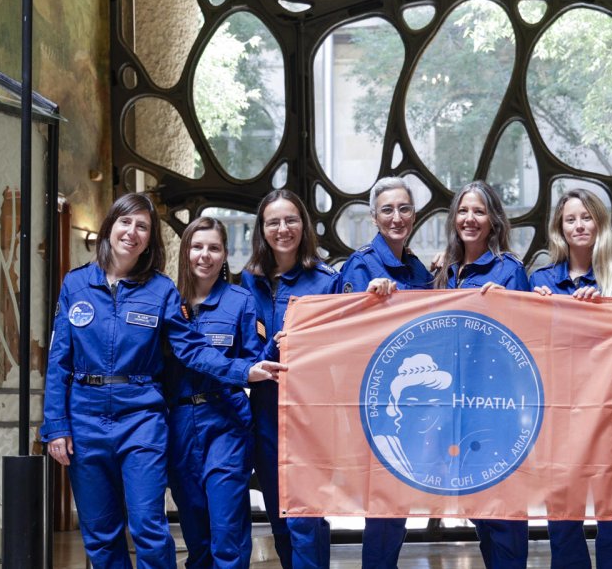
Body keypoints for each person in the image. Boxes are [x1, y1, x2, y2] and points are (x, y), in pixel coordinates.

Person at [42, 193, 284, 569]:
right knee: (100, 534)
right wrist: (56, 426)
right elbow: (58, 361)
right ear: (109, 227)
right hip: (85, 417)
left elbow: (191, 349)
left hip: (141, 417)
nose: (132, 232)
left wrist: (243, 372)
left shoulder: (161, 290)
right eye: (125, 222)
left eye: (142, 226)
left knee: (148, 527)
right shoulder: (75, 285)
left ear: (150, 239)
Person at [528, 189, 612, 569]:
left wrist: (601, 315)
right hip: (558, 411)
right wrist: (538, 311)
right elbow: (526, 347)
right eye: (571, 219)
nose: (579, 225)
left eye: (586, 217)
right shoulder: (540, 280)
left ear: (600, 222)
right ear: (559, 227)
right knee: (563, 520)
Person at [337, 177, 433, 569]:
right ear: (374, 218)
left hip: (413, 402)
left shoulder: (418, 268)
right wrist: (367, 302)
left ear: (414, 215)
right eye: (388, 210)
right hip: (377, 402)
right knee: (383, 503)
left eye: (404, 209)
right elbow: (344, 332)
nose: (397, 217)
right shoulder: (361, 265)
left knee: (398, 503)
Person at [434, 180, 531, 569]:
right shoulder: (445, 272)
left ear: (494, 220)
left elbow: (526, 340)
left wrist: (504, 309)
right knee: (479, 508)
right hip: (457, 410)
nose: (469, 219)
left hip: (498, 410)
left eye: (479, 211)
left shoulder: (509, 270)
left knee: (504, 509)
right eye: (463, 211)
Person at [241, 190, 340, 569]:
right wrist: (274, 348)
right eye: (273, 222)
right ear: (262, 229)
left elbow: (343, 347)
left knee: (305, 518)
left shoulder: (326, 281)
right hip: (265, 412)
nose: (283, 229)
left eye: (291, 220)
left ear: (304, 225)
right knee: (280, 518)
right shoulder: (248, 281)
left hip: (310, 413)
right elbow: (247, 350)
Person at [166, 216, 272, 569]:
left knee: (227, 529)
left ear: (225, 254)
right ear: (185, 251)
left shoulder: (240, 301)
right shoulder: (168, 302)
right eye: (197, 247)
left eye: (214, 248)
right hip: (180, 423)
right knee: (195, 531)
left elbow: (254, 361)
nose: (205, 255)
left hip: (226, 420)